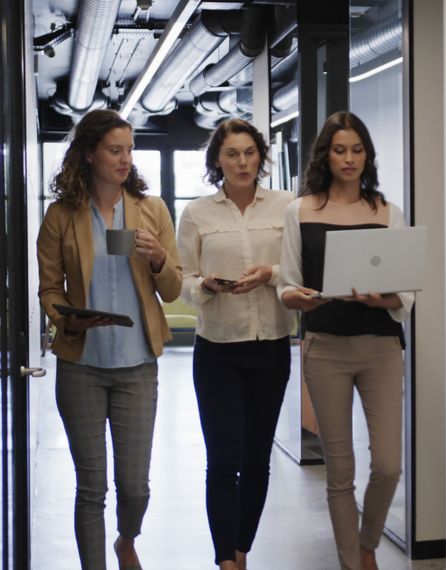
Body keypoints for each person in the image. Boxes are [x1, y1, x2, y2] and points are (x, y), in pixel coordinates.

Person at [36, 108, 182, 570]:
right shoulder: (61, 215)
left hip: (138, 365)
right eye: (114, 150)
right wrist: (65, 319)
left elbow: (174, 288)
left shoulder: (151, 210)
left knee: (135, 485)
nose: (125, 159)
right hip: (82, 365)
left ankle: (126, 538)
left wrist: (159, 258)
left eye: (129, 150)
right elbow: (49, 287)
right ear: (89, 155)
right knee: (91, 487)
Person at [278, 111, 413, 570]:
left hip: (380, 347)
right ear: (326, 156)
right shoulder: (301, 211)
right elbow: (287, 284)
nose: (349, 158)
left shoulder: (386, 213)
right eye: (340, 150)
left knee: (389, 466)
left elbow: (406, 292)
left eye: (357, 150)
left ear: (367, 155)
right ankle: (350, 563)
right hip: (325, 347)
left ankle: (368, 543)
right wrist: (297, 298)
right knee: (339, 471)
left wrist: (381, 298)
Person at [176, 119, 295, 570]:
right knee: (223, 458)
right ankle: (226, 559)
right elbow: (183, 281)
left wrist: (271, 274)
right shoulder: (197, 213)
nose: (242, 162)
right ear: (217, 161)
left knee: (257, 458)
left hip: (271, 345)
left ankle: (242, 547)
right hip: (217, 348)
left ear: (261, 157)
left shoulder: (288, 207)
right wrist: (205, 284)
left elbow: (300, 270)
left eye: (249, 153)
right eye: (232, 154)